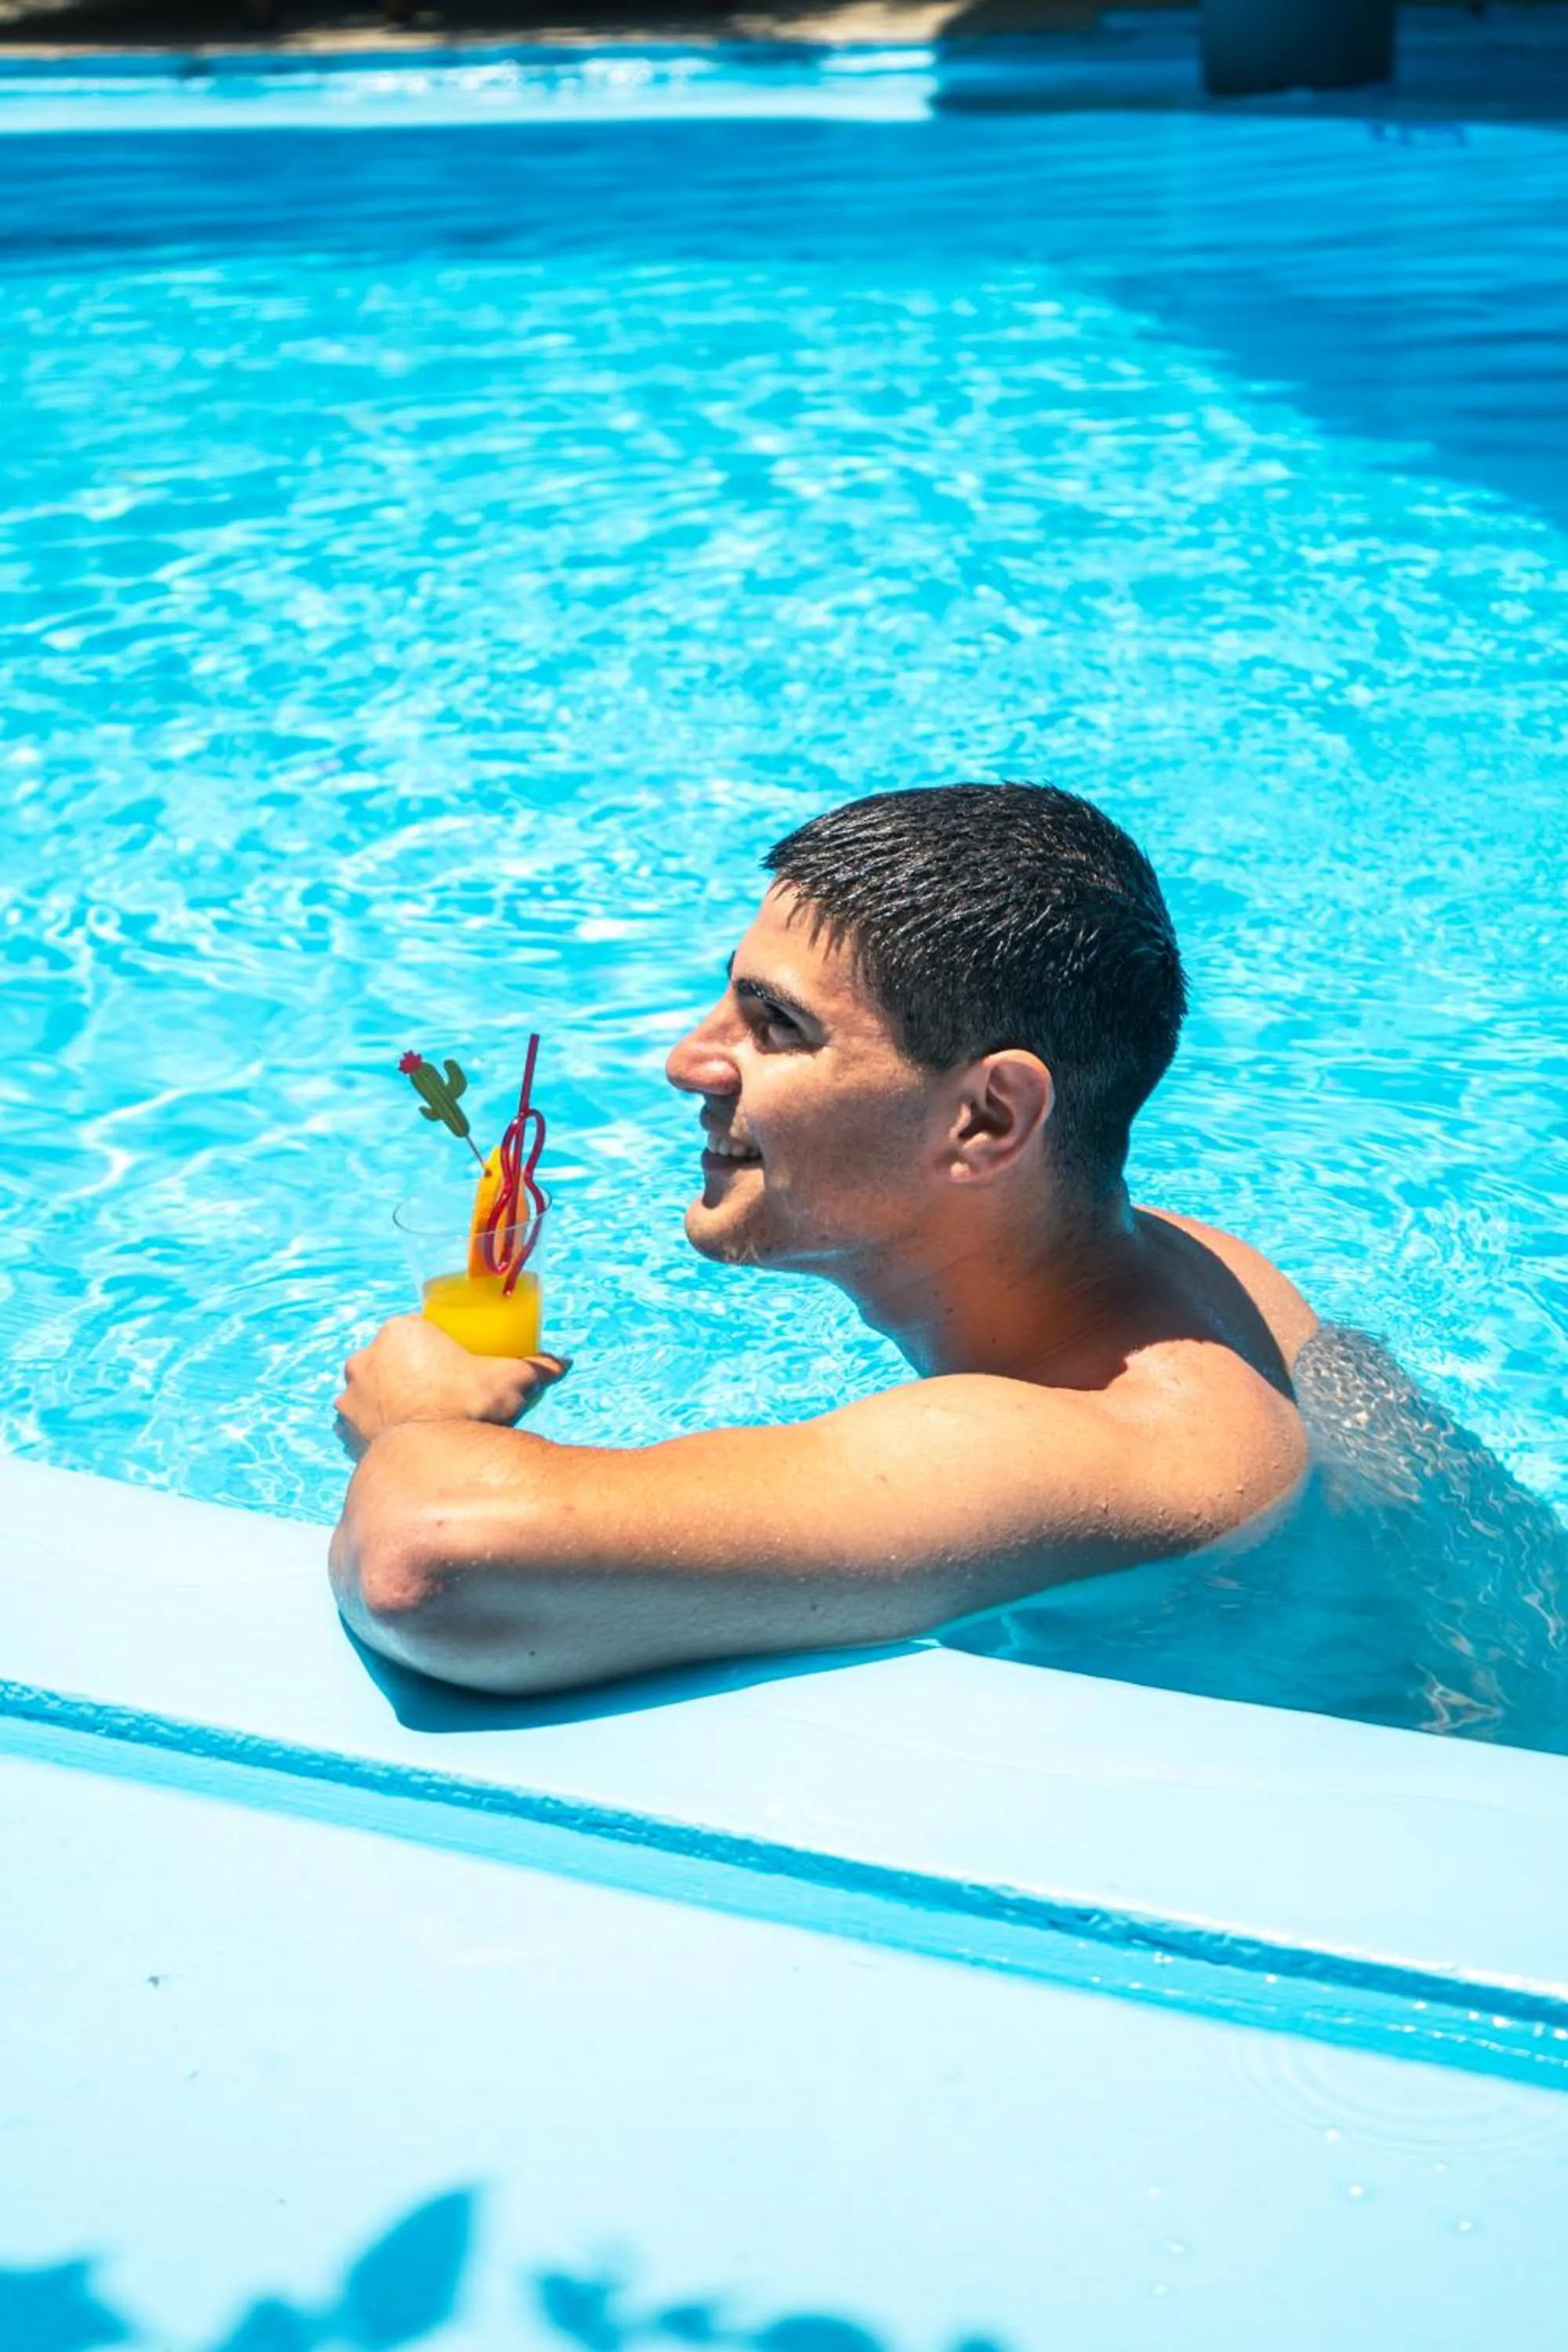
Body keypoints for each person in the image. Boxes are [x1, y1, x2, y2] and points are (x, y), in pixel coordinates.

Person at [331, 783, 1318, 1695]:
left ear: (986, 1118)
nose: (686, 1061)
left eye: (775, 1026)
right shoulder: (1199, 1272)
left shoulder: (1078, 1444)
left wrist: (417, 1420)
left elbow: (430, 1563)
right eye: (726, 995)